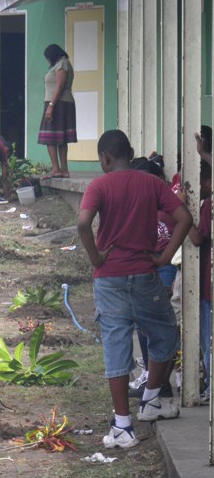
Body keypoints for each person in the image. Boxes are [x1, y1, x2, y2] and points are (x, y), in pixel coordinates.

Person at [77, 130, 192, 449]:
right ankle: (151, 399)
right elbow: (184, 217)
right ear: (129, 152)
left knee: (116, 345)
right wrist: (166, 256)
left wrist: (96, 257)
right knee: (166, 333)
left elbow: (84, 223)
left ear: (104, 158)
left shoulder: (98, 185)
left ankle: (122, 426)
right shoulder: (153, 184)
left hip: (108, 277)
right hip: (145, 274)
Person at [128, 156, 177, 399]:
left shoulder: (169, 204)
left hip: (164, 266)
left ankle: (161, 381)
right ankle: (150, 373)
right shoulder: (137, 205)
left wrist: (165, 258)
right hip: (144, 267)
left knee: (161, 325)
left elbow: (184, 223)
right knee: (143, 324)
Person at [185, 160, 212, 403]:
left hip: (207, 287)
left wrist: (182, 213)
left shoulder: (208, 206)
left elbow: (197, 238)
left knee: (208, 341)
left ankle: (209, 385)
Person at [38, 44, 77, 179]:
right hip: (60, 103)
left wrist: (50, 105)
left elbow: (59, 85)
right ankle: (63, 170)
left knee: (50, 137)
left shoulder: (62, 64)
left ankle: (56, 169)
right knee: (61, 138)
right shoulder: (62, 64)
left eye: (48, 57)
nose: (48, 60)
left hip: (58, 103)